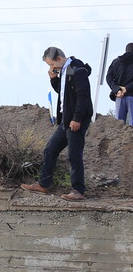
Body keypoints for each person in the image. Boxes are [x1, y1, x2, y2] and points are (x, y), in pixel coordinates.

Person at [20, 47, 93, 202]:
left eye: (51, 64)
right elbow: (64, 92)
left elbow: (82, 96)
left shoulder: (77, 70)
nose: (51, 68)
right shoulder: (65, 71)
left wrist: (77, 119)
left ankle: (78, 190)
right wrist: (54, 79)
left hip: (75, 120)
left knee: (74, 155)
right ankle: (43, 184)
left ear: (59, 58)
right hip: (65, 120)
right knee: (50, 149)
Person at [106, 42, 133, 127]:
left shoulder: (116, 62)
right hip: (132, 96)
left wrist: (117, 89)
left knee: (118, 127)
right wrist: (127, 88)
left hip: (119, 97)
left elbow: (109, 77)